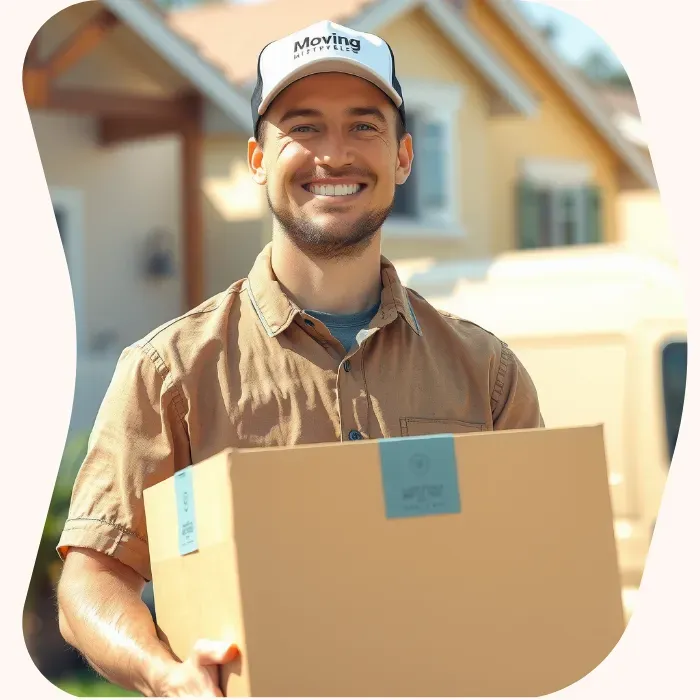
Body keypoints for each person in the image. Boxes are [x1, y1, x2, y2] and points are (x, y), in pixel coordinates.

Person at [55, 20, 544, 697]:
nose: (334, 155)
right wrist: (167, 677)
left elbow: (536, 559)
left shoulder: (486, 373)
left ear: (404, 157)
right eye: (304, 128)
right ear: (258, 158)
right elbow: (92, 581)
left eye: (364, 127)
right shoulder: (167, 372)